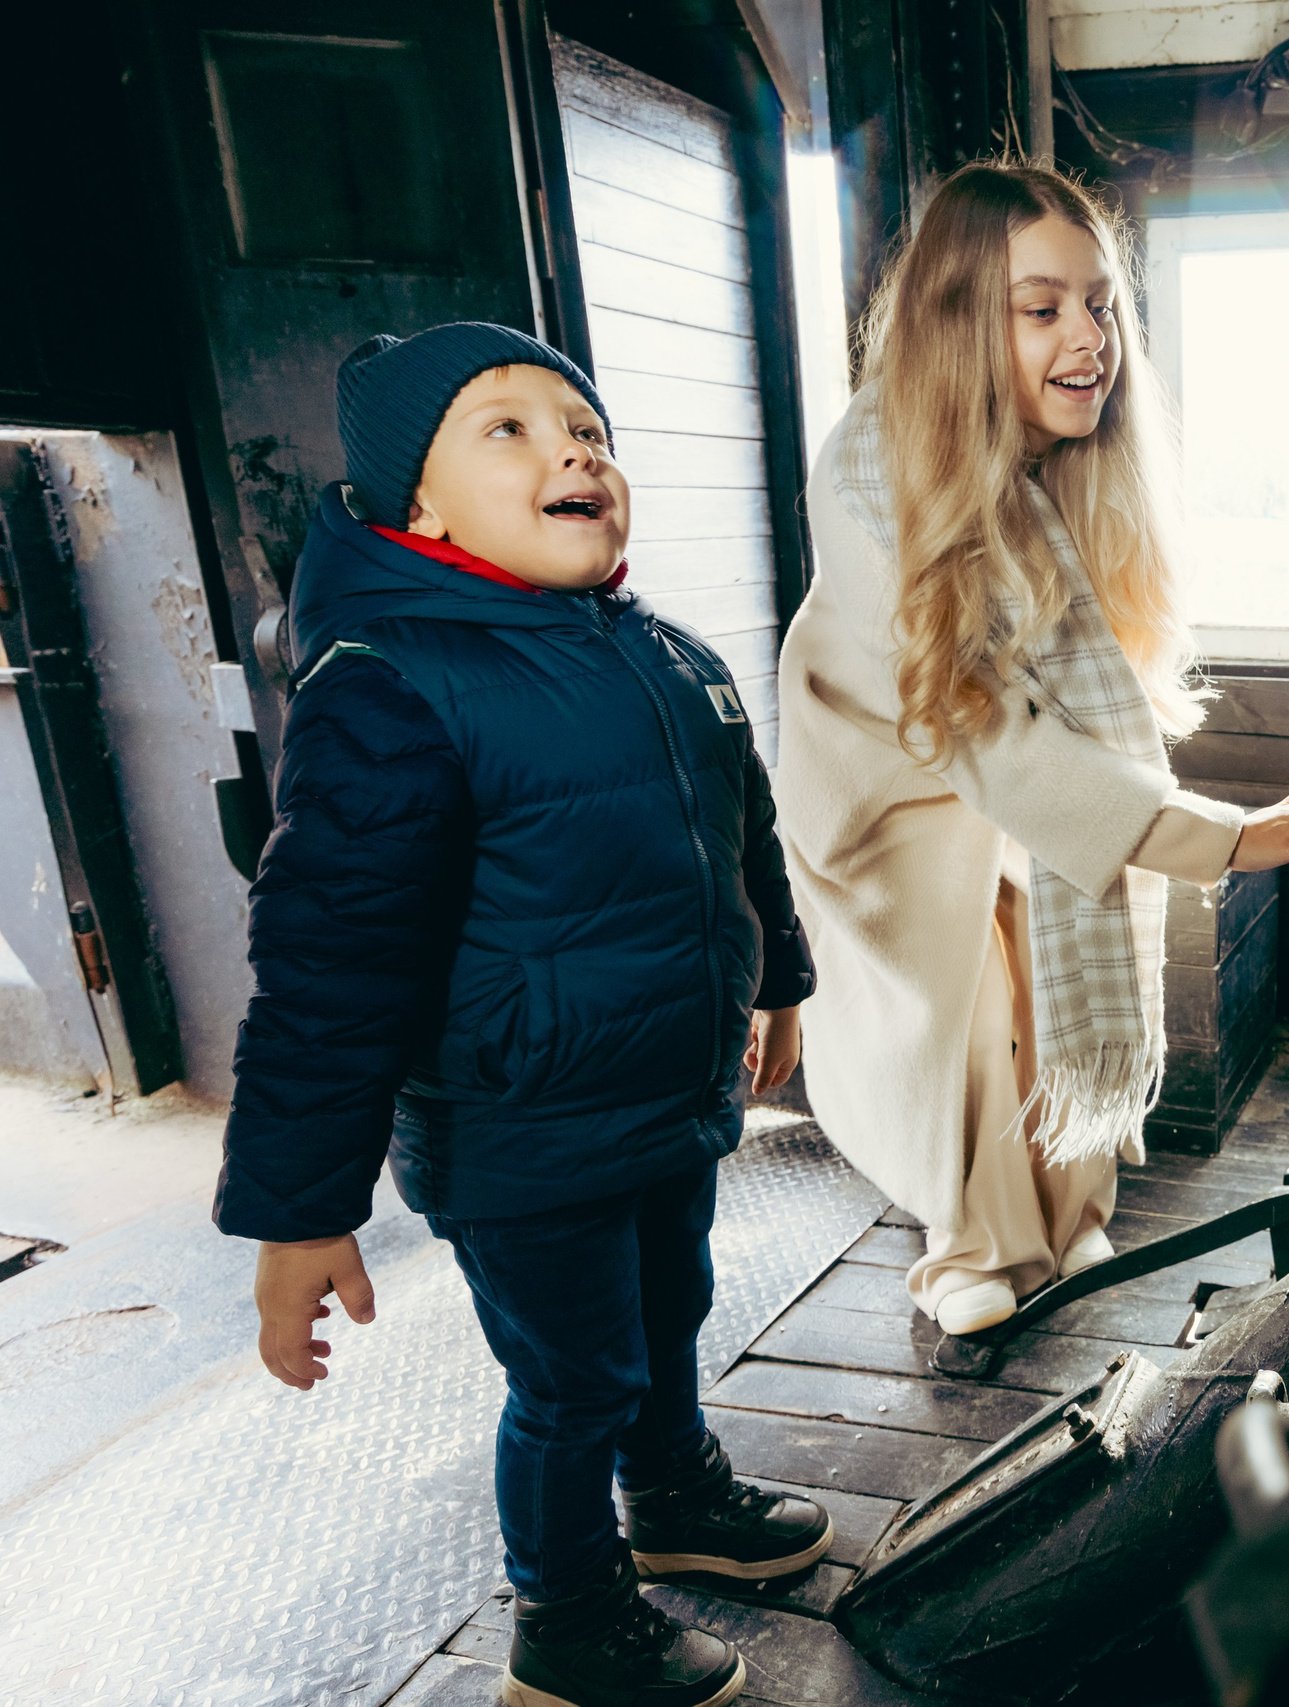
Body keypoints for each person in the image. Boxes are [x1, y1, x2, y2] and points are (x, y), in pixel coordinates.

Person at [215, 322, 828, 1707]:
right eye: (510, 427)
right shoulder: (388, 682)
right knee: (574, 1379)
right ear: (416, 506)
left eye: (590, 430)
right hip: (517, 1125)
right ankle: (566, 1617)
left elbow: (747, 838)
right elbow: (327, 959)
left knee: (670, 1309)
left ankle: (673, 1494)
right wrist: (301, 1206)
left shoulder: (666, 652)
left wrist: (779, 973)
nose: (574, 450)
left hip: (665, 1090)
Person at [777, 160, 1289, 1338]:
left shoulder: (1064, 458)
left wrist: (1179, 829)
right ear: (956, 323)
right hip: (890, 778)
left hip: (1004, 762)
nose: (1088, 338)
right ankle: (973, 1243)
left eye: (1098, 304)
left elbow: (1080, 708)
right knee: (969, 1007)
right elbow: (984, 733)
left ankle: (1072, 1199)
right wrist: (1223, 840)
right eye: (1040, 309)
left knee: (1055, 970)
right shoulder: (872, 467)